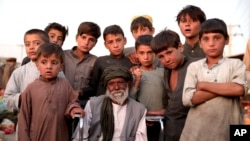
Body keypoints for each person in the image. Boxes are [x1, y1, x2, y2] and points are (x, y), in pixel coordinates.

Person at [180, 18, 248, 141]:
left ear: (226, 40)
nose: (211, 43)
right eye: (206, 39)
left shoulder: (236, 64)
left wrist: (203, 85)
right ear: (200, 43)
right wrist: (226, 88)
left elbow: (239, 89)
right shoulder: (194, 67)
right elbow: (188, 99)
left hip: (228, 131)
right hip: (195, 132)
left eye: (217, 38)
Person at [18, 43, 84, 141]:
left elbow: (73, 101)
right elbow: (23, 118)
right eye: (44, 62)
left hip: (60, 135)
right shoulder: (31, 89)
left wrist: (73, 109)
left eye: (54, 62)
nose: (49, 66)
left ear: (61, 66)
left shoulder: (65, 85)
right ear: (37, 65)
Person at [72, 66, 147, 141]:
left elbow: (141, 139)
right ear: (106, 87)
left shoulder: (139, 109)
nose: (116, 87)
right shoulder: (93, 104)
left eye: (120, 82)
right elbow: (80, 136)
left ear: (128, 84)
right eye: (111, 84)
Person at [151, 29, 198, 141]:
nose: (166, 59)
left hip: (193, 131)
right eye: (161, 56)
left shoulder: (197, 66)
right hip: (170, 131)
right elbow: (173, 103)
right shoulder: (166, 70)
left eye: (169, 52)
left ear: (180, 47)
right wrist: (152, 114)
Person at [3, 28, 64, 112]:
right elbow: (7, 99)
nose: (31, 47)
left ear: (47, 45)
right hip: (27, 122)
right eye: (27, 44)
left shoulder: (57, 71)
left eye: (37, 43)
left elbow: (66, 96)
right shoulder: (19, 72)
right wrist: (22, 97)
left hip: (52, 121)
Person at [131, 35, 166, 141]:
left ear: (155, 53)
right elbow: (130, 99)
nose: (146, 57)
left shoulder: (163, 72)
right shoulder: (133, 74)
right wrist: (137, 80)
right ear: (136, 54)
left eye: (150, 52)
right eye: (141, 53)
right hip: (141, 120)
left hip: (162, 118)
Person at [88, 24, 134, 96]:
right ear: (106, 45)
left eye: (118, 40)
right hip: (103, 104)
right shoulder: (100, 61)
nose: (115, 45)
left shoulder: (131, 61)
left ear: (124, 40)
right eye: (110, 42)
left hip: (125, 103)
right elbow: (93, 87)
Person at [63, 21, 101, 108]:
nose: (86, 42)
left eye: (91, 40)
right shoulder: (63, 56)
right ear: (77, 37)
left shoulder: (96, 61)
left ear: (95, 43)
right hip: (61, 102)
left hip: (83, 105)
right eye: (83, 37)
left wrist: (80, 93)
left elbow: (95, 88)